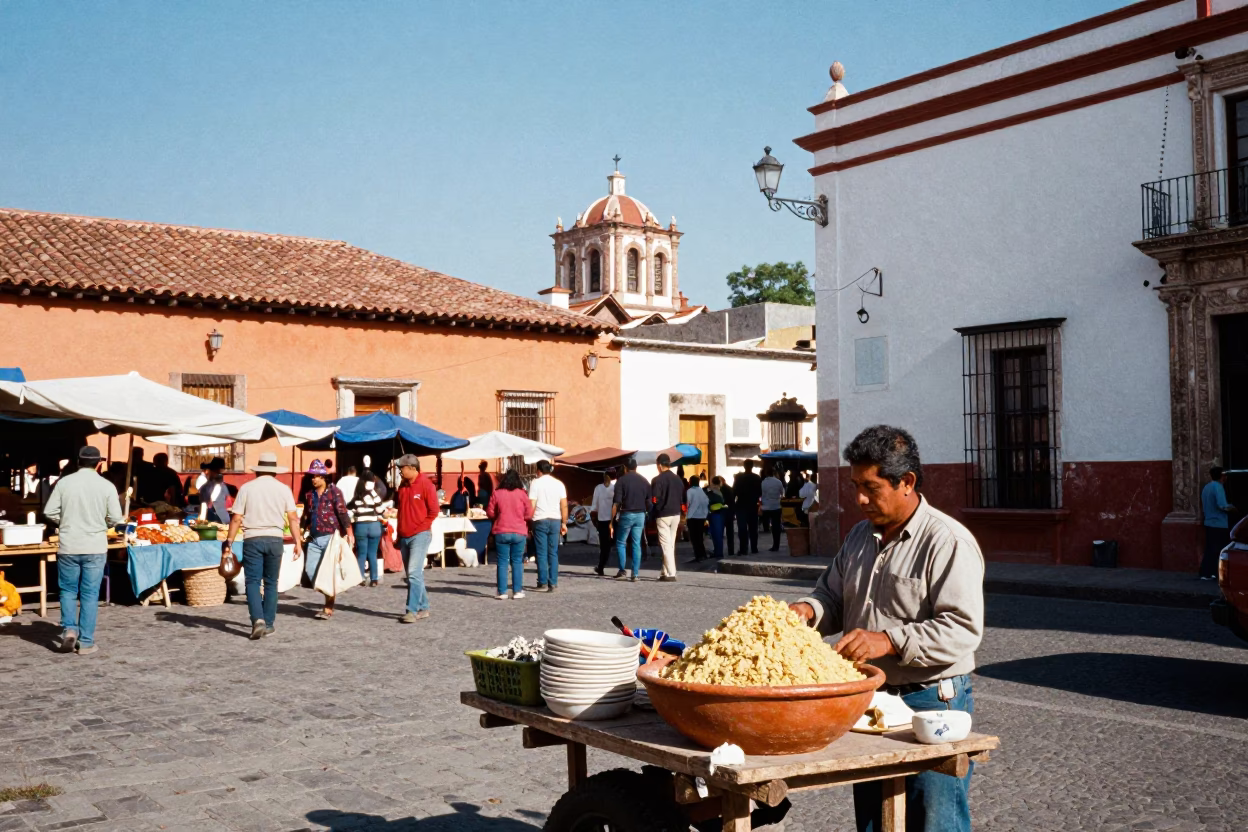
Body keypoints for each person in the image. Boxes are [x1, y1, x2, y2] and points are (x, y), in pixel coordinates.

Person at [789, 425, 984, 832]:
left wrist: (888, 640)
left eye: (870, 487)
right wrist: (807, 611)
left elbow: (962, 629)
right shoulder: (860, 536)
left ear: (907, 482)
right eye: (855, 485)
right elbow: (833, 598)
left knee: (934, 821)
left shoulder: (946, 541)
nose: (859, 499)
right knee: (876, 820)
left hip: (932, 699)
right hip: (872, 701)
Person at [43, 446, 123, 655]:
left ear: (78, 461)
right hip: (95, 546)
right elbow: (116, 518)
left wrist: (66, 521)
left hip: (69, 545)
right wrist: (101, 523)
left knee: (68, 590)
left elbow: (49, 511)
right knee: (89, 594)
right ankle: (86, 642)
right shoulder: (107, 486)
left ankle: (70, 629)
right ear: (98, 464)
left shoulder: (64, 483)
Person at [224, 452, 303, 640]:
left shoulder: (246, 488)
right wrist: (298, 542)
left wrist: (228, 541)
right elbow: (293, 518)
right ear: (274, 471)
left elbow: (236, 518)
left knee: (252, 581)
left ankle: (257, 619)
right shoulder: (284, 489)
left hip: (252, 539)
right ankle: (268, 623)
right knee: (271, 582)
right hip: (275, 539)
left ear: (258, 471)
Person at [299, 460, 353, 620]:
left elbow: (342, 513)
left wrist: (349, 532)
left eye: (316, 476)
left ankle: (328, 606)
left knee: (328, 574)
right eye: (312, 476)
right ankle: (330, 592)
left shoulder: (334, 492)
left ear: (324, 477)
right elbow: (307, 514)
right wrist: (302, 528)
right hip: (314, 538)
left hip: (331, 537)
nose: (313, 479)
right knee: (311, 571)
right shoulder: (310, 494)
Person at [394, 453, 439, 622]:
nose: (400, 471)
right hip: (404, 536)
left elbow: (434, 511)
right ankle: (424, 607)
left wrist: (421, 527)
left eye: (402, 468)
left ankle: (411, 611)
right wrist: (399, 534)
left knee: (413, 573)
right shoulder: (403, 486)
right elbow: (401, 513)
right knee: (414, 575)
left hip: (420, 535)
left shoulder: (426, 485)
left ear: (412, 468)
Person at [487, 468, 533, 600]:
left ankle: (502, 592)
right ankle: (517, 591)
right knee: (517, 561)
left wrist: (498, 516)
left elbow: (490, 512)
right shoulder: (522, 494)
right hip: (519, 531)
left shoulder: (497, 493)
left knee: (502, 561)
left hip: (501, 530)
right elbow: (529, 514)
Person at [528, 460, 568, 591]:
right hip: (556, 519)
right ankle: (553, 582)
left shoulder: (535, 483)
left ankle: (543, 582)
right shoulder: (559, 484)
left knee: (541, 552)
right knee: (553, 552)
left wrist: (529, 520)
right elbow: (564, 505)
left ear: (538, 470)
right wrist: (564, 522)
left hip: (540, 519)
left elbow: (532, 504)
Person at [348, 468, 389, 587]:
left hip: (361, 526)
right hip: (374, 526)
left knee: (361, 553)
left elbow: (351, 511)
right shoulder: (374, 495)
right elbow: (381, 510)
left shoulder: (358, 497)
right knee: (372, 553)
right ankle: (374, 579)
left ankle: (360, 577)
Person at [612, 457, 651, 581]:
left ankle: (622, 571)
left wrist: (611, 520)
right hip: (640, 515)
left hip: (626, 514)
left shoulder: (621, 481)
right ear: (636, 467)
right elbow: (649, 502)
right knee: (636, 543)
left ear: (625, 468)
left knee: (621, 542)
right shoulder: (644, 481)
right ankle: (635, 574)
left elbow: (616, 503)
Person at [650, 453, 684, 582]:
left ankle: (671, 573)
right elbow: (682, 498)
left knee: (665, 544)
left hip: (663, 515)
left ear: (659, 465)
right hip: (676, 514)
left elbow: (654, 499)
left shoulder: (657, 480)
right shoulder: (678, 479)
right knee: (670, 543)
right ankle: (664, 571)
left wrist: (655, 510)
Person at [1201, 466, 1236, 580]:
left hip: (1209, 522)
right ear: (1222, 476)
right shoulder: (1218, 487)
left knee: (1210, 549)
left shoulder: (1207, 487)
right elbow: (1223, 506)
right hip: (1219, 523)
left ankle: (1207, 572)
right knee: (1220, 550)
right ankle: (1214, 573)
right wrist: (1233, 508)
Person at [733, 460, 762, 555]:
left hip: (741, 504)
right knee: (753, 528)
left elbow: (734, 491)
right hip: (752, 505)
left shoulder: (739, 477)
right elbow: (760, 492)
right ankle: (754, 548)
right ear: (752, 466)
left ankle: (743, 548)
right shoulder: (757, 478)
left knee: (742, 528)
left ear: (744, 466)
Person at [590, 469, 616, 576]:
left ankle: (601, 566)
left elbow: (594, 506)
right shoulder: (615, 487)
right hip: (613, 520)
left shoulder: (598, 488)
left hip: (602, 520)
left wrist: (594, 519)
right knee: (610, 545)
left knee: (604, 545)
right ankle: (602, 565)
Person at [684, 474, 710, 563]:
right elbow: (706, 502)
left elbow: (687, 503)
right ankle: (703, 554)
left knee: (694, 538)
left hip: (692, 517)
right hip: (702, 517)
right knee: (699, 537)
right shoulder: (702, 491)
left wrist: (686, 514)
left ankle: (698, 555)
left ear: (690, 482)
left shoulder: (690, 491)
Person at [761, 467, 786, 552]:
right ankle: (776, 545)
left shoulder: (763, 483)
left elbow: (762, 494)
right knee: (776, 526)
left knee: (768, 523)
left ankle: (766, 528)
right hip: (776, 506)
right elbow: (782, 494)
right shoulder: (778, 482)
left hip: (766, 507)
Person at [200, 457, 230, 524]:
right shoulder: (224, 486)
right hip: (222, 519)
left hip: (216, 520)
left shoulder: (207, 487)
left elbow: (204, 505)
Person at [706, 477, 728, 559]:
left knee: (715, 534)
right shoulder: (723, 490)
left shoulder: (709, 490)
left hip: (713, 513)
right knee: (718, 534)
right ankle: (718, 552)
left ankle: (718, 552)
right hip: (720, 513)